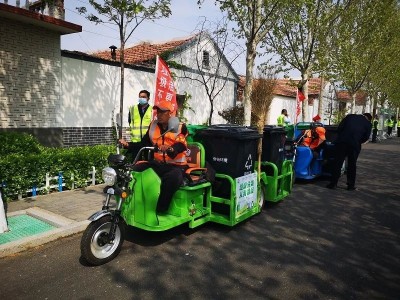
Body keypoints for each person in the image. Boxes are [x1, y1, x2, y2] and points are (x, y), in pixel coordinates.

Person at [120, 100, 188, 213]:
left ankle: (161, 210)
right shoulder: (153, 125)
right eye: (157, 111)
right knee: (132, 170)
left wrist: (171, 149)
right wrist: (128, 145)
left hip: (176, 166)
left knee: (173, 177)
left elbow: (181, 144)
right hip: (158, 164)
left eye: (162, 112)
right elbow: (144, 143)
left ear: (170, 113)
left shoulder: (180, 127)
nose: (158, 114)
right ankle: (130, 204)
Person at [326, 113, 372, 191]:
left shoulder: (349, 116)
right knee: (352, 164)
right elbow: (366, 137)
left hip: (342, 142)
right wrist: (358, 141)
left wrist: (342, 136)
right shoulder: (368, 123)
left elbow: (340, 128)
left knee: (338, 162)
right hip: (354, 145)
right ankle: (350, 186)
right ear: (368, 118)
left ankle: (333, 184)